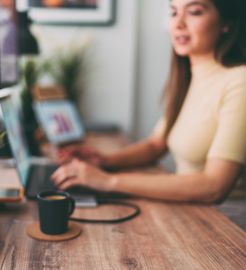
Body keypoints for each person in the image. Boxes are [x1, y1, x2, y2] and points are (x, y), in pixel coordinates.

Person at [51, 0, 246, 203]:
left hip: (226, 221)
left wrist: (108, 181)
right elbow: (156, 145)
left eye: (194, 12)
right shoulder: (190, 77)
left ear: (227, 23)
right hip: (192, 209)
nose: (178, 23)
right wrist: (104, 161)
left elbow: (214, 186)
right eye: (173, 12)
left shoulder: (240, 82)